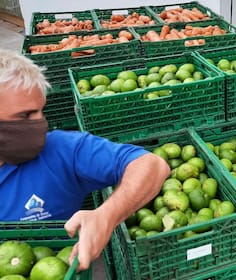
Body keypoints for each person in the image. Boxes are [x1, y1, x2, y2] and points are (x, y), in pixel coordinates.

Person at [0, 48, 171, 271]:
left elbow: (152, 165)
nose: (40, 123)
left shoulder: (61, 150)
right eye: (25, 116)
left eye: (41, 112)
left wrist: (106, 216)